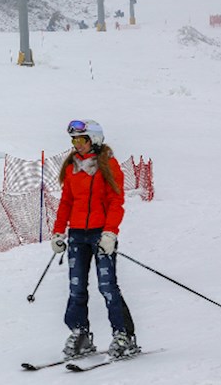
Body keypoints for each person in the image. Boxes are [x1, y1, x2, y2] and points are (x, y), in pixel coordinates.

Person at [51, 120, 139, 360]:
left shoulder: (108, 165)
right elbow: (66, 202)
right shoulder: (72, 167)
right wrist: (59, 232)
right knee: (76, 288)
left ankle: (124, 335)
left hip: (101, 234)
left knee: (107, 286)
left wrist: (110, 232)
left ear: (94, 140)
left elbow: (115, 202)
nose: (77, 145)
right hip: (77, 235)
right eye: (74, 140)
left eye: (82, 139)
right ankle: (81, 333)